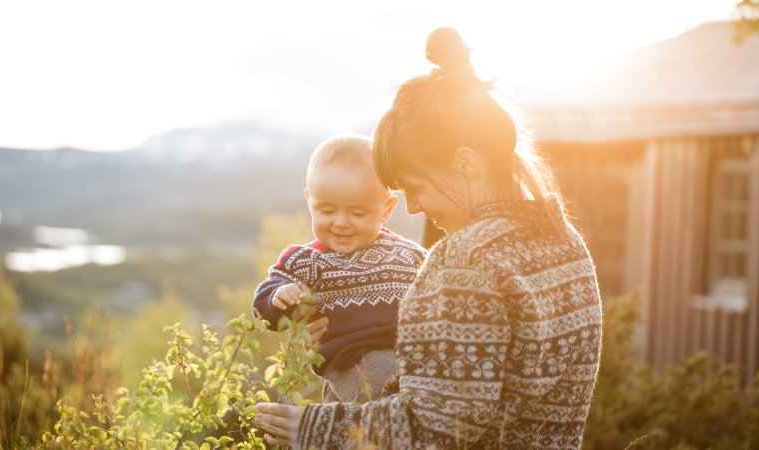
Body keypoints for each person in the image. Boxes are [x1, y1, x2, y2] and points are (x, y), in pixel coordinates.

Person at [255, 28, 603, 449]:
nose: (414, 207)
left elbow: (437, 428)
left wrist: (308, 428)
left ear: (465, 163)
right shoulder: (565, 245)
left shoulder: (466, 260)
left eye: (414, 186)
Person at [252, 134, 427, 403]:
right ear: (310, 200)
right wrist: (279, 296)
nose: (341, 222)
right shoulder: (307, 261)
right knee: (396, 404)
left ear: (387, 208)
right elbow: (264, 308)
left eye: (358, 213)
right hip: (352, 362)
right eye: (326, 211)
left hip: (411, 355)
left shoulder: (409, 253)